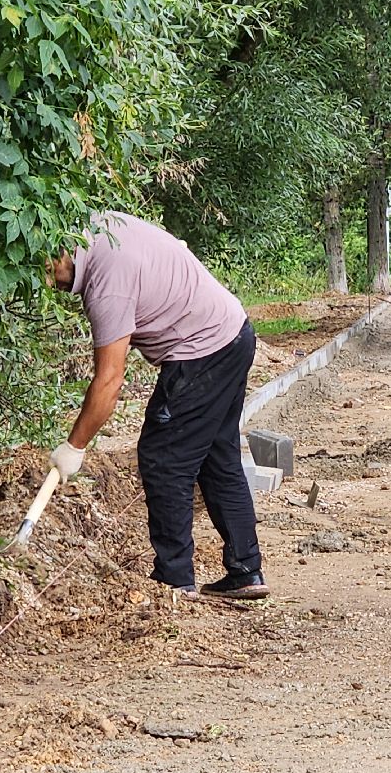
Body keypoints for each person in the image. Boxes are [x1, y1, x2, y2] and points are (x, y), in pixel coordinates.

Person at [46, 212, 269, 602]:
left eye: (49, 273)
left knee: (164, 458)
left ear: (60, 252)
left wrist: (74, 447)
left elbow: (109, 380)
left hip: (202, 349)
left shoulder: (107, 284)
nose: (51, 285)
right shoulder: (97, 226)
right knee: (218, 456)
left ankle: (174, 580)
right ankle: (245, 571)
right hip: (233, 333)